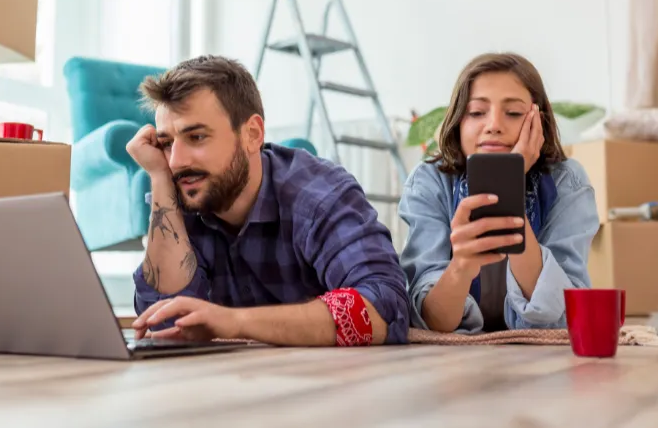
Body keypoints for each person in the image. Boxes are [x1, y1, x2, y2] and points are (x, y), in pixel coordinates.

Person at [128, 55, 410, 346]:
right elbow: (163, 323)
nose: (176, 161)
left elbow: (383, 306)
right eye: (167, 143)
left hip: (331, 382)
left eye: (197, 137)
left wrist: (234, 323)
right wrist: (160, 179)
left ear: (252, 134)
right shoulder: (180, 195)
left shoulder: (320, 196)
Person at [399, 52, 598, 334]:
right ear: (458, 122)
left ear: (537, 122)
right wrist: (461, 267)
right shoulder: (428, 183)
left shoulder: (568, 182)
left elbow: (561, 316)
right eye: (477, 112)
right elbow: (432, 321)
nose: (493, 125)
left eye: (514, 113)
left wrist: (509, 182)